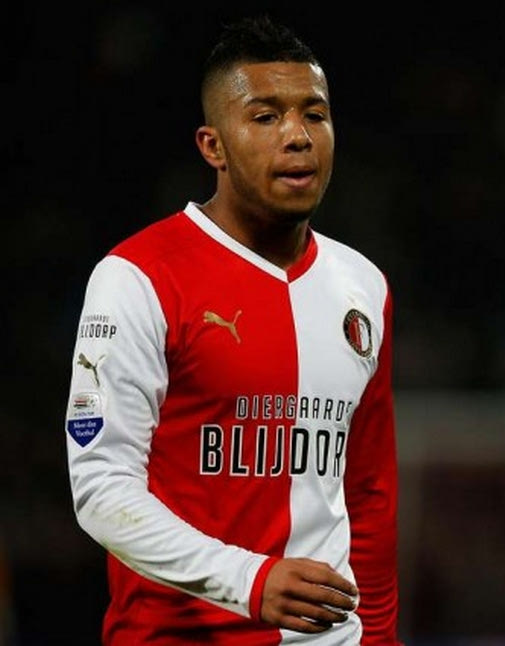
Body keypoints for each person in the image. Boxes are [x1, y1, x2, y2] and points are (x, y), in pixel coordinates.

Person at [65, 14, 400, 645]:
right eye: (266, 117)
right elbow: (101, 487)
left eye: (315, 114)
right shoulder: (137, 277)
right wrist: (249, 579)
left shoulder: (364, 286)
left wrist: (379, 639)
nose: (298, 136)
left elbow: (368, 492)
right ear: (212, 146)